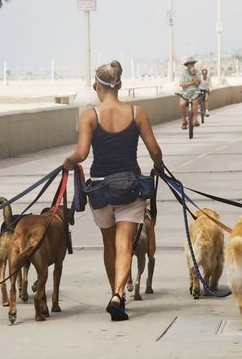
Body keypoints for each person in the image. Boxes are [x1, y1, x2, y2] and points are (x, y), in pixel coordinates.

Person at [63, 60, 163, 321]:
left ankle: (115, 294)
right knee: (124, 246)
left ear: (97, 86)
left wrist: (69, 161)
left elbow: (82, 154)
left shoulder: (89, 116)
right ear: (119, 85)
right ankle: (118, 295)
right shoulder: (137, 113)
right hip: (130, 187)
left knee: (109, 245)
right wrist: (159, 166)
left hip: (100, 190)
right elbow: (154, 151)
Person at [179, 57, 202, 129]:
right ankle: (184, 121)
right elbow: (182, 84)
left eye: (193, 63)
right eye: (190, 63)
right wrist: (192, 82)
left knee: (195, 100)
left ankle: (195, 119)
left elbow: (198, 83)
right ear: (187, 65)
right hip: (185, 93)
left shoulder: (197, 72)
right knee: (181, 104)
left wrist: (194, 74)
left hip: (195, 91)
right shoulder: (183, 73)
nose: (192, 65)